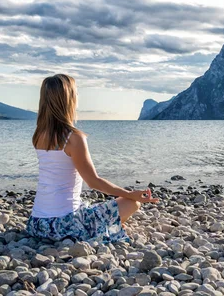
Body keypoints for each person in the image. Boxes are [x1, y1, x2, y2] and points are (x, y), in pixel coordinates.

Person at [26, 74, 159, 243]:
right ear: (68, 99)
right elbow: (94, 182)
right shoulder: (73, 137)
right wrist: (130, 194)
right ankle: (106, 227)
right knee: (132, 203)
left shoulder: (38, 135)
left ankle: (105, 223)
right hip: (63, 226)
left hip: (37, 224)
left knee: (88, 205)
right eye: (76, 93)